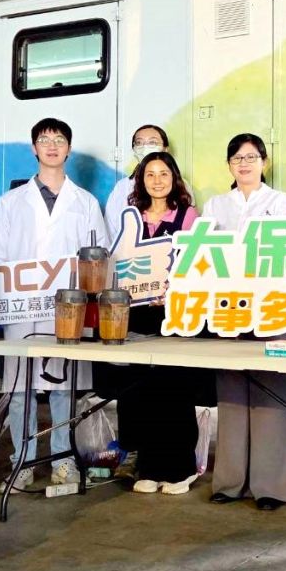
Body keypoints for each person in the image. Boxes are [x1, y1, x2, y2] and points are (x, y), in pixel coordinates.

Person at [0, 118, 108, 492]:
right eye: (44, 140)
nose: (52, 145)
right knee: (21, 388)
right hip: (21, 309)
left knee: (63, 387)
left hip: (67, 308)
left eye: (59, 140)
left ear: (69, 149)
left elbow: (97, 255)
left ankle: (63, 460)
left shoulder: (84, 202)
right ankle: (20, 461)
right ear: (34, 148)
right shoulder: (11, 202)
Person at [204, 133, 286, 510]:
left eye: (251, 157)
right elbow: (205, 256)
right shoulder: (215, 204)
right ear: (229, 165)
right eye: (237, 158)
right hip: (228, 306)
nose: (244, 164)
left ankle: (271, 487)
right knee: (230, 391)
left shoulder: (278, 202)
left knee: (270, 391)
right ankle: (228, 482)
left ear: (264, 162)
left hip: (272, 305)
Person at [115, 151, 202, 495]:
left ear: (174, 178)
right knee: (143, 392)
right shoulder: (131, 216)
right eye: (149, 174)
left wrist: (175, 289)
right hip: (137, 314)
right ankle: (149, 467)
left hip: (173, 312)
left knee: (174, 390)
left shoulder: (187, 215)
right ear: (141, 180)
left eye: (163, 173)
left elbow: (195, 261)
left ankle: (182, 468)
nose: (157, 180)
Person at [105, 125, 169, 244]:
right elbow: (110, 229)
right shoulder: (122, 187)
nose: (145, 148)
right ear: (134, 150)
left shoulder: (181, 185)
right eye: (139, 143)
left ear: (165, 149)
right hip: (129, 258)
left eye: (152, 142)